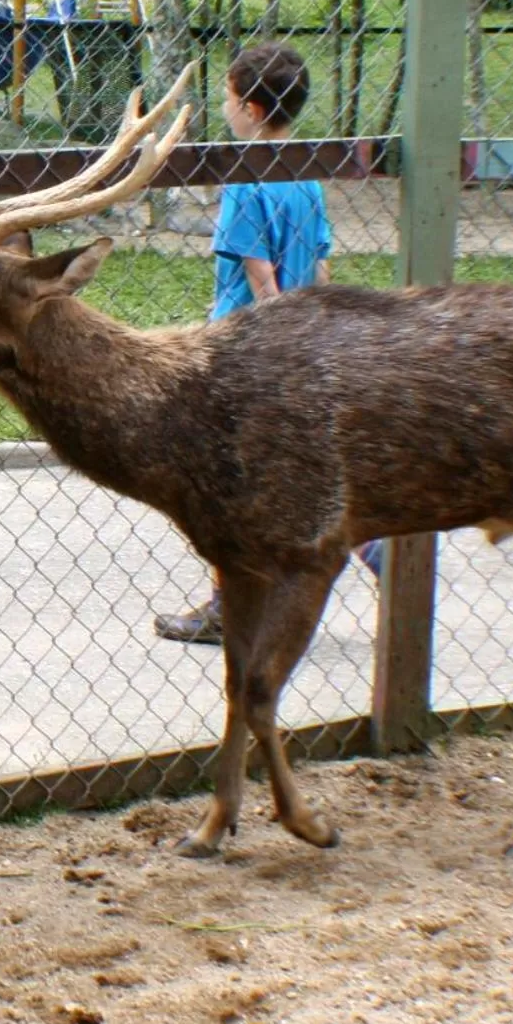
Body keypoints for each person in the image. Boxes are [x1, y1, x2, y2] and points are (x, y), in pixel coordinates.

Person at [154, 42, 338, 646]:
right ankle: (381, 565)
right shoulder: (306, 171)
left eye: (229, 99)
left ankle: (227, 609)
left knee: (225, 483)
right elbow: (320, 265)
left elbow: (262, 279)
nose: (225, 108)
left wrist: (268, 345)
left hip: (244, 351)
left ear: (252, 109)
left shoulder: (245, 177)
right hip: (304, 342)